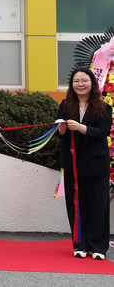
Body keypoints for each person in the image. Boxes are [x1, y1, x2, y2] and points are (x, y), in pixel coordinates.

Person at [56, 67, 112, 260]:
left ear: (92, 83)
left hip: (96, 165)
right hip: (73, 164)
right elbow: (59, 134)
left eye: (84, 80)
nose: (80, 84)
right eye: (76, 81)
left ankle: (98, 247)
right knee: (76, 205)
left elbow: (102, 133)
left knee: (98, 205)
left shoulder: (104, 107)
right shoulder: (65, 105)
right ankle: (80, 244)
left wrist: (80, 127)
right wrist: (62, 130)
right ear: (72, 85)